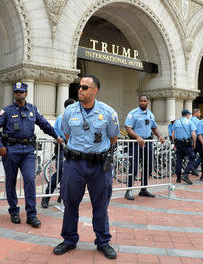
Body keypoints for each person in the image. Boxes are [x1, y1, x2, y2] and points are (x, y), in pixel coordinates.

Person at [53, 74, 119, 259]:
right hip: (75, 164)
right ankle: (69, 239)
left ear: (95, 90)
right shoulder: (69, 112)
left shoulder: (108, 112)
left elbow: (113, 137)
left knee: (100, 204)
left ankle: (103, 242)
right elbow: (67, 135)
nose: (79, 90)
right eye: (79, 86)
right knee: (70, 202)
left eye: (84, 87)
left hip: (99, 166)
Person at [0, 82, 64, 227]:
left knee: (30, 179)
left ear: (26, 93)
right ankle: (14, 211)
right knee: (11, 181)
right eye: (17, 92)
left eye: (22, 92)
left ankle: (31, 215)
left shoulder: (33, 109)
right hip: (11, 150)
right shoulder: (7, 111)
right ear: (14, 93)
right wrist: (0, 146)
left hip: (28, 151)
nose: (19, 94)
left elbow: (45, 125)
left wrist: (57, 137)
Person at [123, 95, 165, 200]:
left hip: (148, 143)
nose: (142, 102)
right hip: (136, 143)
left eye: (144, 101)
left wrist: (159, 135)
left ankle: (143, 189)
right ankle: (129, 190)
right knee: (134, 167)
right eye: (141, 101)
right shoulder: (133, 113)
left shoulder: (150, 114)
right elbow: (128, 128)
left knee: (149, 166)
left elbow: (154, 127)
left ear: (147, 102)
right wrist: (138, 137)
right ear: (139, 101)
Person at [41, 98, 76, 208]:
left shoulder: (72, 117)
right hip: (64, 147)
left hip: (72, 147)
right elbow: (64, 134)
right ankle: (47, 197)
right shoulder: (63, 117)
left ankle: (62, 196)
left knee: (70, 173)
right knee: (60, 172)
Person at [171, 109, 196, 185]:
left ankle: (178, 178)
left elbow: (173, 134)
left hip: (178, 143)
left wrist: (174, 142)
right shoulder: (189, 122)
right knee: (192, 158)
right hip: (187, 144)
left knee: (179, 159)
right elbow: (194, 134)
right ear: (187, 115)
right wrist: (194, 143)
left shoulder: (176, 122)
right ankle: (186, 174)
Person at [190, 108, 201, 176]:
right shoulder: (197, 121)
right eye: (199, 112)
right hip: (196, 139)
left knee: (193, 155)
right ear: (196, 112)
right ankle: (194, 167)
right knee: (202, 155)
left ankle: (192, 168)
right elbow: (198, 131)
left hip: (190, 139)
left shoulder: (190, 120)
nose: (200, 114)